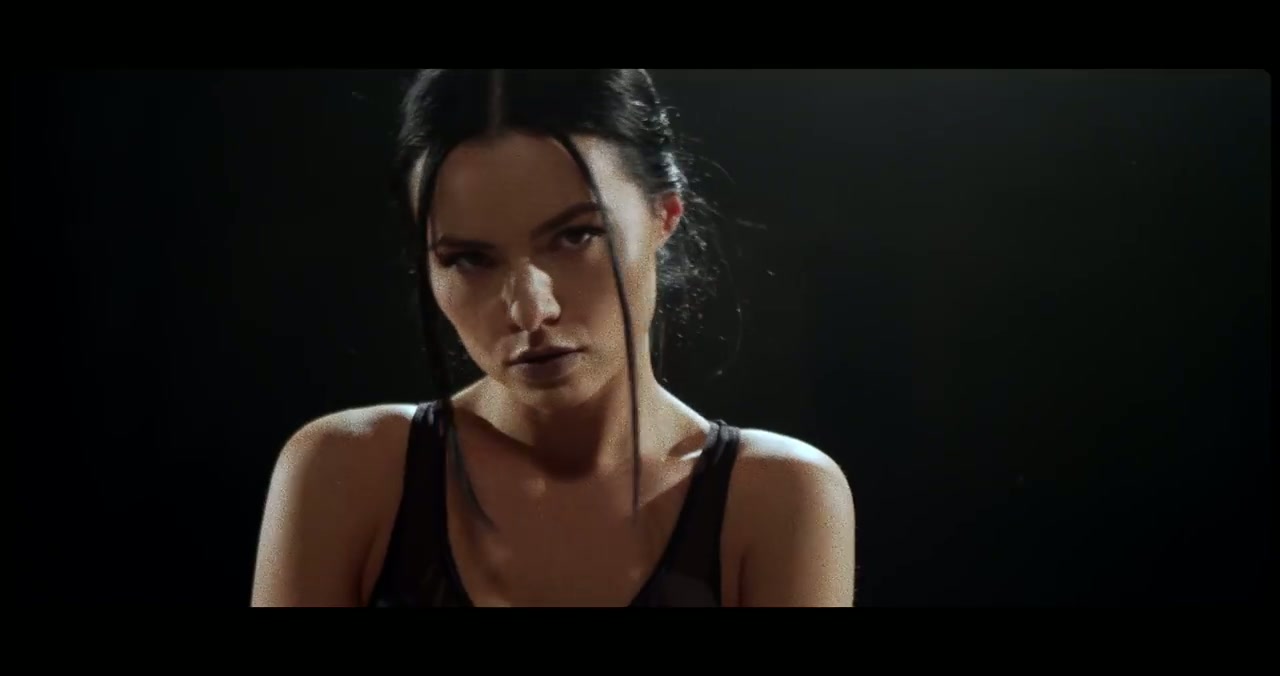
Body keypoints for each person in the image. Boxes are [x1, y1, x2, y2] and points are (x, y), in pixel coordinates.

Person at [250, 69, 856, 607]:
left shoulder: (774, 497)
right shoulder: (351, 472)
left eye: (575, 236)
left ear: (665, 215)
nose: (530, 310)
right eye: (468, 259)